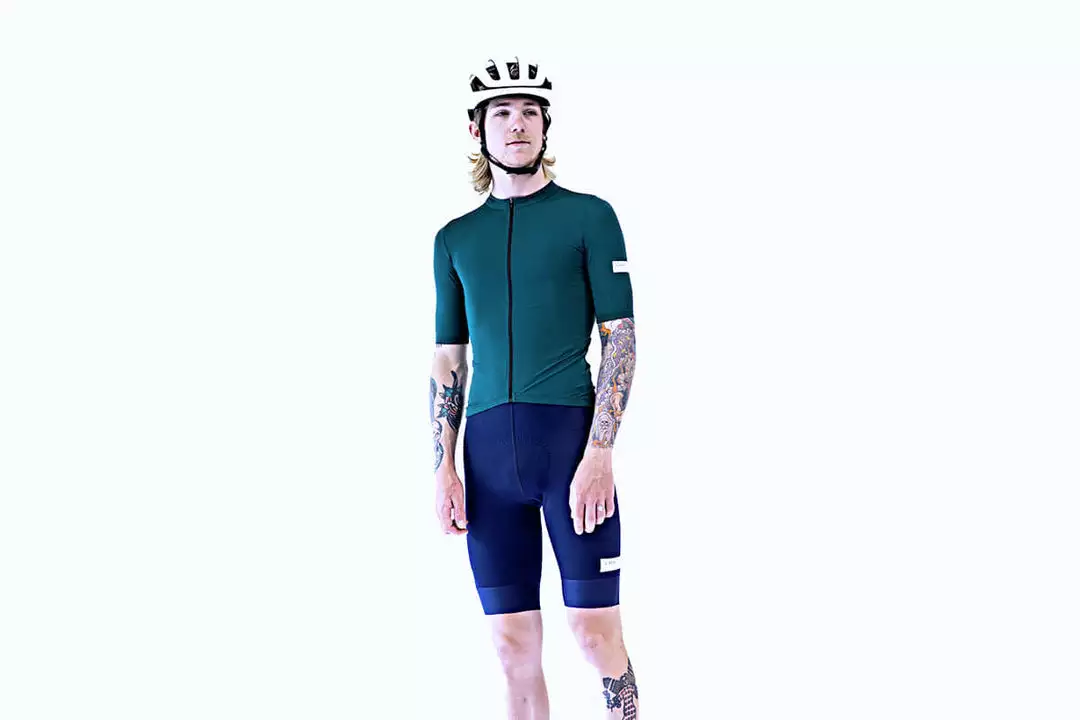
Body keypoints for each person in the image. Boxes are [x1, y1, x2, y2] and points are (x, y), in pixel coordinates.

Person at [429, 58, 641, 719]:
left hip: (569, 448)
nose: (516, 124)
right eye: (502, 112)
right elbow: (448, 358)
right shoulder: (454, 239)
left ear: (546, 126)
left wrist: (600, 453)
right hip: (488, 459)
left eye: (529, 112)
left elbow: (621, 339)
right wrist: (443, 466)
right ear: (477, 129)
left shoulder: (589, 217)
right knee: (511, 646)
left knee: (595, 633)